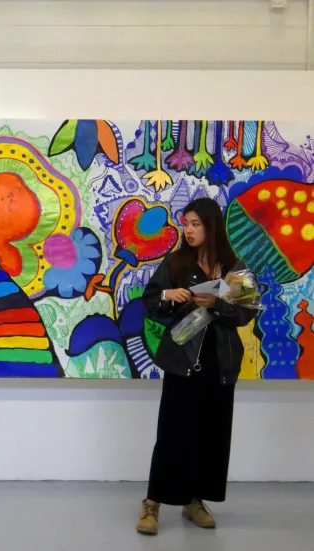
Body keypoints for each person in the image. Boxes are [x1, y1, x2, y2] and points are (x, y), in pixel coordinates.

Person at [136, 197, 255, 535]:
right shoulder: (175, 263)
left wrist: (218, 304)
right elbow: (150, 302)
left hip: (221, 366)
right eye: (185, 223)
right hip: (182, 364)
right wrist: (167, 296)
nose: (188, 230)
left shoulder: (235, 267)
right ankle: (153, 503)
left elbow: (247, 311)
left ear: (211, 226)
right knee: (172, 435)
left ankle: (194, 502)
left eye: (195, 224)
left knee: (212, 437)